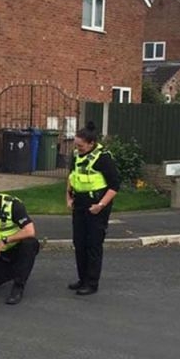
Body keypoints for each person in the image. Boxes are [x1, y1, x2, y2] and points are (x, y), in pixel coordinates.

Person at [66, 122, 120, 295]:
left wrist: (101, 205)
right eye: (76, 145)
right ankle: (82, 279)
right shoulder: (76, 156)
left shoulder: (103, 158)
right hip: (79, 204)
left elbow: (114, 186)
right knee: (79, 243)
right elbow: (72, 177)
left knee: (93, 244)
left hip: (97, 206)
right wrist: (68, 197)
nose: (78, 149)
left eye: (81, 146)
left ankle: (91, 283)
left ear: (91, 143)